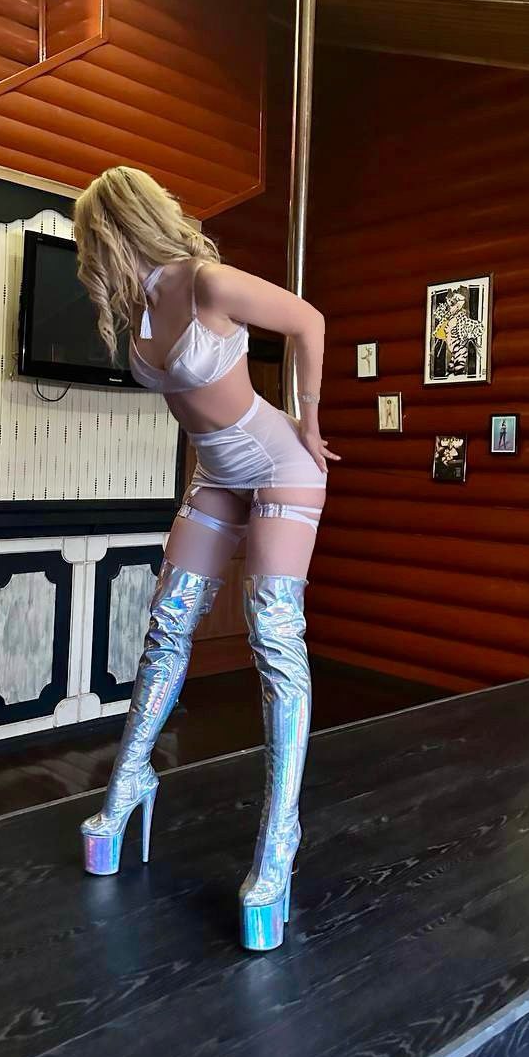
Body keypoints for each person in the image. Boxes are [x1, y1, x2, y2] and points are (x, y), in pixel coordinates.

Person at [73, 166, 339, 952]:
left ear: (113, 227)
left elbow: (310, 321)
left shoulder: (208, 281)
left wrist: (310, 423)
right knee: (168, 627)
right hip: (216, 475)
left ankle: (278, 847)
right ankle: (128, 784)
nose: (88, 256)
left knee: (274, 640)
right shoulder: (139, 305)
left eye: (89, 239)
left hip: (281, 464)